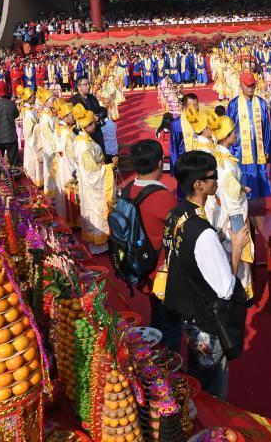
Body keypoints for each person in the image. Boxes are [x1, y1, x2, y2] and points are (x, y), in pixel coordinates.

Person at [163, 151, 249, 401]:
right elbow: (226, 289)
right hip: (206, 320)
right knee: (213, 387)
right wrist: (236, 249)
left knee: (199, 376)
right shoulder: (202, 232)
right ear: (199, 184)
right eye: (213, 177)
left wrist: (218, 235)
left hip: (188, 311)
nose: (217, 181)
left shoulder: (177, 214)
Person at [128, 139, 181, 353]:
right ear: (160, 163)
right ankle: (167, 364)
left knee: (157, 314)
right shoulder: (163, 198)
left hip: (141, 267)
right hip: (163, 272)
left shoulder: (129, 191)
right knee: (172, 324)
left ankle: (152, 357)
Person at [210, 116, 255, 302]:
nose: (236, 134)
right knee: (237, 251)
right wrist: (239, 222)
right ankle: (240, 293)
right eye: (233, 132)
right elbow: (232, 198)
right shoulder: (226, 164)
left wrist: (240, 188)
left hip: (223, 210)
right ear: (227, 136)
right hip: (233, 214)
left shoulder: (220, 157)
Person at [71, 105, 115, 254]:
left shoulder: (83, 139)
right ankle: (98, 243)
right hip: (92, 184)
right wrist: (109, 168)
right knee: (97, 210)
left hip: (89, 182)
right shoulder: (83, 145)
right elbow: (92, 171)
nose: (96, 125)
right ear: (88, 125)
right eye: (93, 123)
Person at [227, 72, 271, 198]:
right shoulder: (233, 105)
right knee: (242, 173)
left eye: (252, 85)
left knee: (259, 171)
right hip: (240, 149)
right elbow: (229, 129)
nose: (250, 88)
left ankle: (259, 197)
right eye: (247, 85)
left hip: (258, 147)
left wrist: (267, 148)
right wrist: (230, 150)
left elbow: (266, 128)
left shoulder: (261, 103)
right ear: (241, 85)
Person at [69, 75, 106, 155]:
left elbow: (101, 109)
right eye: (85, 84)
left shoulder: (92, 97)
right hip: (83, 136)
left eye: (89, 84)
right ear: (79, 87)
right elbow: (71, 121)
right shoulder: (72, 101)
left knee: (101, 155)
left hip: (97, 133)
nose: (88, 86)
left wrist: (99, 116)